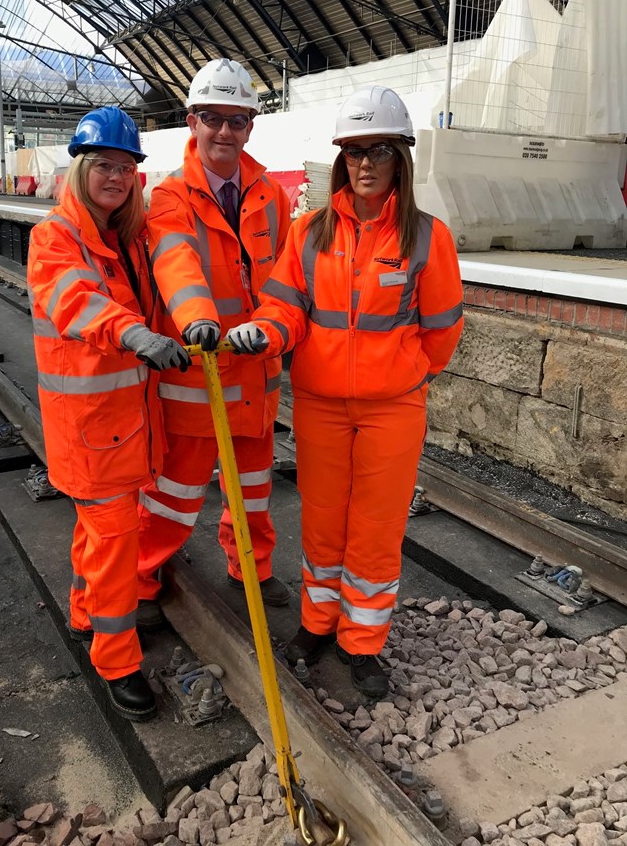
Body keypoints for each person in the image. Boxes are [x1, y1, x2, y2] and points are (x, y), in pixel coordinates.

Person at [227, 85, 464, 698]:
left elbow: (442, 329)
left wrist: (405, 374)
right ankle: (317, 623)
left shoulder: (426, 237)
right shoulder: (309, 232)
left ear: (400, 160)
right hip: (321, 406)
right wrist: (266, 332)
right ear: (340, 159)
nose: (364, 163)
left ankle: (363, 642)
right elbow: (286, 307)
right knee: (324, 520)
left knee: (377, 527)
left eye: (378, 151)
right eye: (354, 151)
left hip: (394, 408)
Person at [27, 106, 190, 721]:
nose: (115, 177)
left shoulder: (123, 239)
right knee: (116, 543)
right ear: (80, 168)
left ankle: (82, 615)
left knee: (97, 536)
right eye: (103, 166)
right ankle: (116, 660)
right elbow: (75, 299)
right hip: (93, 430)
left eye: (125, 168)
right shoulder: (57, 238)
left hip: (121, 424)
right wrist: (135, 334)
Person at [137, 58, 292, 620]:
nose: (224, 131)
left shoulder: (271, 195)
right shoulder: (170, 195)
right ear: (191, 121)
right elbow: (175, 258)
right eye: (212, 118)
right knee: (174, 496)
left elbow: (285, 277)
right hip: (200, 374)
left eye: (236, 119)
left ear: (250, 125)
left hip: (253, 371)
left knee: (252, 488)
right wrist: (197, 318)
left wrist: (272, 327)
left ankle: (252, 567)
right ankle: (139, 579)